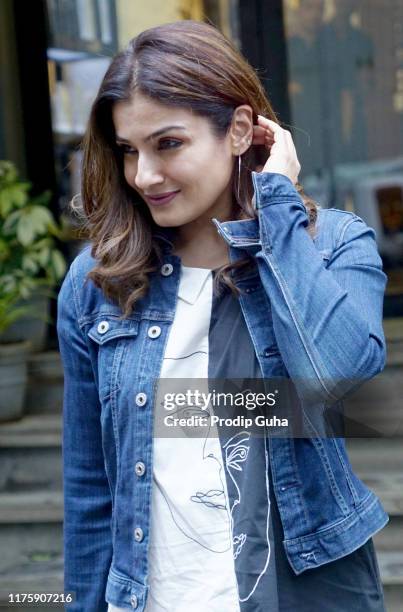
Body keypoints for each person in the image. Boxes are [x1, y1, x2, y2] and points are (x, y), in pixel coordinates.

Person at [57, 20, 388, 612]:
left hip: (304, 595)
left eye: (169, 144)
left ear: (238, 130)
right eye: (128, 151)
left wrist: (277, 210)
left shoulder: (331, 246)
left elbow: (332, 373)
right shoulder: (97, 284)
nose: (144, 176)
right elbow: (90, 487)